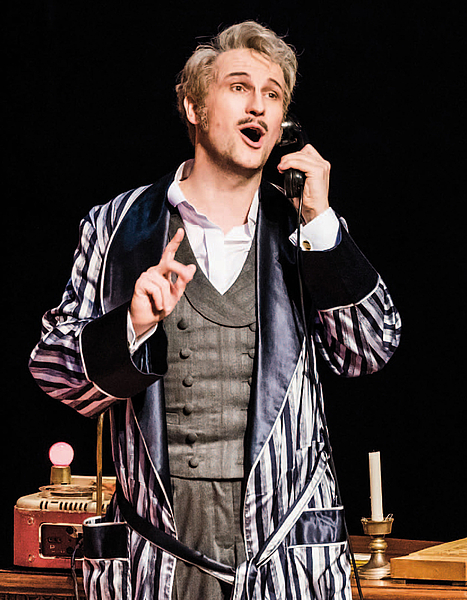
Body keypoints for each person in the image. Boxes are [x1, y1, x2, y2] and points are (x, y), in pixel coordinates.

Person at [29, 20, 401, 600]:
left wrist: (322, 224)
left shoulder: (308, 231)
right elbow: (54, 372)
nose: (258, 106)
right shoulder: (116, 227)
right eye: (239, 87)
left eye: (273, 94)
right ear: (193, 107)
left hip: (284, 564)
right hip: (158, 558)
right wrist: (131, 326)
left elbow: (369, 351)